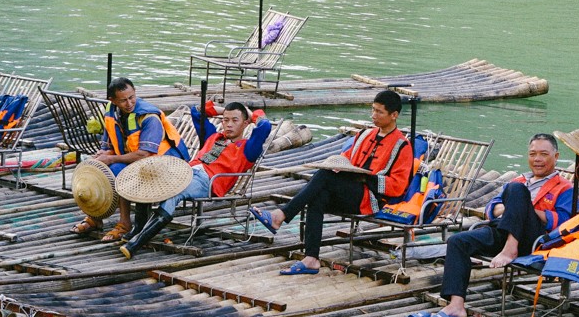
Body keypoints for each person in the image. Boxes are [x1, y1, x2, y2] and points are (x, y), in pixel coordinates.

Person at [414, 134, 573, 317]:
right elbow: (492, 208)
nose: (537, 159)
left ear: (556, 157)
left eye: (543, 154)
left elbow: (563, 222)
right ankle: (456, 305)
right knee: (458, 242)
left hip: (533, 239)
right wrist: (515, 208)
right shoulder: (520, 179)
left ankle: (511, 248)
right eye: (533, 154)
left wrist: (525, 209)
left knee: (517, 190)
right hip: (502, 228)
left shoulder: (564, 187)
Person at [256, 89, 415, 274]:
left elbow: (398, 186)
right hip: (350, 192)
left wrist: (367, 177)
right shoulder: (365, 135)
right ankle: (311, 258)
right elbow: (345, 158)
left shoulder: (402, 146)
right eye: (373, 109)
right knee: (318, 195)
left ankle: (281, 215)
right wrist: (339, 167)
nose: (373, 115)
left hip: (371, 199)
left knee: (324, 176)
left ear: (394, 115)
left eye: (379, 112)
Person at [121, 97, 274, 257]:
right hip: (186, 170)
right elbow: (197, 111)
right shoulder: (213, 136)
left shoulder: (248, 148)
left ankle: (136, 243)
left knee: (174, 192)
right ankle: (138, 229)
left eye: (235, 120)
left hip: (208, 180)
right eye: (225, 120)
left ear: (245, 123)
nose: (229, 124)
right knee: (148, 178)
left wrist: (249, 113)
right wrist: (225, 111)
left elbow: (264, 126)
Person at [82, 76, 186, 241]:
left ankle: (125, 224)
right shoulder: (111, 111)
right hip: (137, 161)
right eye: (123, 100)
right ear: (113, 100)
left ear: (135, 93)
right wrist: (103, 154)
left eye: (132, 97)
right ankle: (95, 217)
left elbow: (144, 154)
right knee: (93, 167)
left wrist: (111, 159)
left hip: (164, 165)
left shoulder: (149, 117)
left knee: (117, 170)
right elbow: (109, 144)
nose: (129, 103)